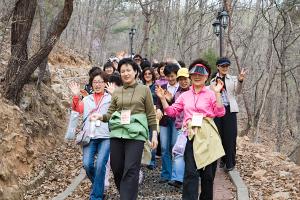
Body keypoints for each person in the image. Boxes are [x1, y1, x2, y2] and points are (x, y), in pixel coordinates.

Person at [156, 58, 225, 200]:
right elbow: (171, 112)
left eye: (201, 75)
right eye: (194, 75)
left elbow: (220, 112)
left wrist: (217, 93)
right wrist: (163, 99)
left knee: (207, 176)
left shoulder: (211, 93)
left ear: (206, 77)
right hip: (190, 135)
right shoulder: (184, 95)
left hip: (208, 136)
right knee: (190, 173)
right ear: (190, 76)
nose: (197, 77)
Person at [90, 58, 158, 200]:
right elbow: (110, 113)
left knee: (131, 169)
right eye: (122, 71)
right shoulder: (117, 91)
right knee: (117, 168)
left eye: (128, 70)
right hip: (117, 133)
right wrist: (100, 116)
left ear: (135, 71)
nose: (126, 73)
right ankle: (128, 196)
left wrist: (154, 135)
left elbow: (151, 114)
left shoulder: (144, 90)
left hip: (136, 134)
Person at [69, 69, 111, 200]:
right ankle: (99, 187)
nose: (97, 84)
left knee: (100, 165)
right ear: (91, 84)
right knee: (87, 164)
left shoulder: (110, 98)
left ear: (105, 83)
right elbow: (77, 110)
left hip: (105, 136)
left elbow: (119, 110)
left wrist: (115, 95)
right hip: (89, 136)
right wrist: (76, 95)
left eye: (100, 82)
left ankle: (96, 196)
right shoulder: (87, 99)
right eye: (95, 82)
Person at [210, 57, 246, 171]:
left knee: (230, 136)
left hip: (230, 110)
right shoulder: (212, 81)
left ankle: (230, 163)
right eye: (222, 66)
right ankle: (223, 159)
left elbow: (238, 91)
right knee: (219, 136)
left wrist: (240, 80)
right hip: (217, 111)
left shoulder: (234, 79)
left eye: (227, 66)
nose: (225, 68)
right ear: (218, 67)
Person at [156, 63, 180, 184]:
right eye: (168, 76)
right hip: (164, 120)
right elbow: (158, 101)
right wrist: (159, 108)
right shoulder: (163, 86)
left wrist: (171, 100)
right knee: (164, 147)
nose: (170, 79)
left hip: (177, 120)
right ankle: (166, 173)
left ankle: (177, 175)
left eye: (172, 76)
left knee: (175, 146)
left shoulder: (181, 87)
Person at [168, 67, 191, 188]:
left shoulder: (195, 91)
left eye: (185, 78)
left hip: (194, 128)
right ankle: (177, 178)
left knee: (191, 154)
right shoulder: (177, 94)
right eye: (181, 79)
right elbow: (174, 110)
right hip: (181, 128)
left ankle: (187, 177)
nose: (183, 81)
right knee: (178, 151)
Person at [141, 67, 158, 170]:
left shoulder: (156, 86)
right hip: (143, 114)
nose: (147, 75)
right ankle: (145, 158)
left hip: (154, 113)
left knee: (153, 136)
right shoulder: (141, 87)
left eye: (149, 73)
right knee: (144, 136)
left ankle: (152, 160)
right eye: (145, 74)